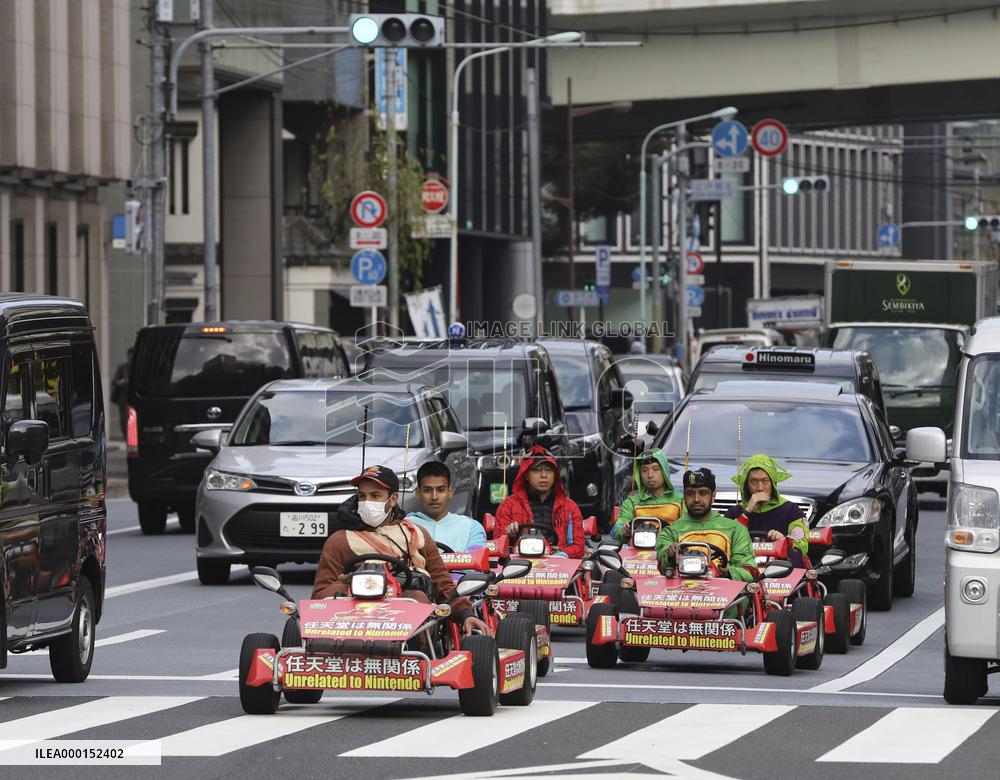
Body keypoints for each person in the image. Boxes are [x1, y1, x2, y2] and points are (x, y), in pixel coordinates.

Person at [312, 464, 490, 637]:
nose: (367, 502)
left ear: (393, 500)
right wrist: (345, 584)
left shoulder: (416, 535)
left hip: (406, 618)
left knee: (418, 598)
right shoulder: (340, 540)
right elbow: (319, 596)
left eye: (375, 496)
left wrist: (466, 615)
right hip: (352, 619)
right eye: (362, 496)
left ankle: (417, 651)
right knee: (335, 589)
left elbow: (443, 585)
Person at [655, 467, 758, 581]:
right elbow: (662, 567)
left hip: (723, 589)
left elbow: (750, 572)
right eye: (690, 494)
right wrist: (670, 554)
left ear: (713, 496)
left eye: (703, 493)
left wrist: (728, 572)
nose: (696, 499)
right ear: (684, 496)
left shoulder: (736, 529)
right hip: (681, 589)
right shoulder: (669, 532)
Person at [493, 445, 585, 559]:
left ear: (555, 474)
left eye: (549, 470)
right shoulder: (508, 506)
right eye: (537, 470)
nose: (544, 475)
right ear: (526, 474)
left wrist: (558, 554)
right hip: (519, 565)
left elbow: (579, 548)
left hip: (559, 566)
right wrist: (510, 535)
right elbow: (497, 547)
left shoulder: (570, 507)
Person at [725, 454, 809, 568]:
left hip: (781, 572)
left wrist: (784, 540)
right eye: (754, 481)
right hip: (743, 572)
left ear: (773, 483)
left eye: (765, 481)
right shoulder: (733, 513)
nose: (760, 488)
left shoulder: (792, 511)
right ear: (746, 485)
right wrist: (747, 511)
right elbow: (724, 543)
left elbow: (802, 545)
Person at [406, 461, 487, 552]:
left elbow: (477, 558)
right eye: (427, 490)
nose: (434, 497)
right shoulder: (404, 527)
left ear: (450, 492)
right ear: (418, 493)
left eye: (440, 490)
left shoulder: (471, 528)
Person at [611, 448, 683, 543]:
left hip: (670, 549)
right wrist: (623, 531)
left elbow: (691, 528)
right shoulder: (631, 503)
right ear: (639, 474)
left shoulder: (681, 500)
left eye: (655, 469)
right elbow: (615, 530)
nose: (650, 475)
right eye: (644, 470)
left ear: (665, 470)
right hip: (637, 549)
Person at [110, 348, 132, 438]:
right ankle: (126, 437)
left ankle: (131, 438)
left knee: (132, 420)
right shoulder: (122, 367)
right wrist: (122, 382)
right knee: (124, 421)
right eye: (130, 357)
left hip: (133, 399)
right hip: (123, 399)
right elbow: (114, 381)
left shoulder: (138, 367)